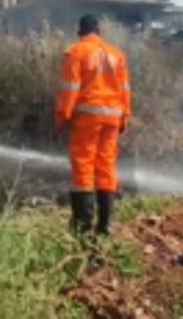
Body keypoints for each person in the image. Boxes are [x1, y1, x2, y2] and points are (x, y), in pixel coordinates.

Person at [55, 14, 131, 237]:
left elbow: (70, 89)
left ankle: (83, 225)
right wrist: (124, 118)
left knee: (83, 165)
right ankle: (105, 226)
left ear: (81, 32)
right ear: (99, 31)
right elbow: (125, 90)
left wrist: (61, 118)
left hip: (88, 118)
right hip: (113, 118)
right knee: (106, 166)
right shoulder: (117, 55)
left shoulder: (77, 52)